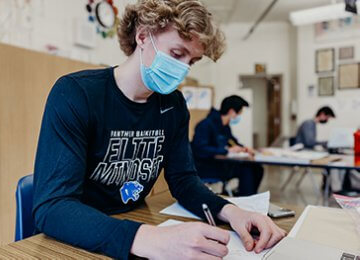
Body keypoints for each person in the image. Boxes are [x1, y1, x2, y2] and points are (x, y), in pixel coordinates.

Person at [32, 1, 286, 259]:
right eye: (177, 54)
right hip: (78, 238)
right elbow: (53, 207)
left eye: (193, 61)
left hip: (134, 221)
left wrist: (232, 212)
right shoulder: (77, 94)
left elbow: (184, 180)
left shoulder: (173, 106)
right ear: (142, 36)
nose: (184, 69)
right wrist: (151, 239)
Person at [191, 95, 264, 196]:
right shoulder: (205, 125)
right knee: (247, 169)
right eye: (239, 113)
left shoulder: (225, 127)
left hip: (222, 164)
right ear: (231, 112)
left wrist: (244, 149)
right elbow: (200, 149)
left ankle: (247, 194)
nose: (239, 116)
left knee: (257, 168)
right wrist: (227, 151)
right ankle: (246, 197)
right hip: (207, 167)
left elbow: (232, 142)